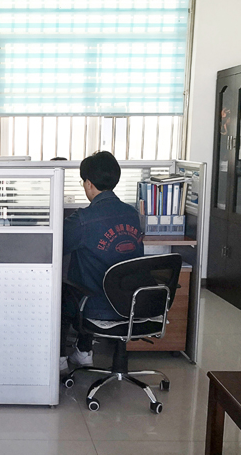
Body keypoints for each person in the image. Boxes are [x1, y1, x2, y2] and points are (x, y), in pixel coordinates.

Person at [61, 152, 144, 371]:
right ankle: (83, 351)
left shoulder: (83, 219)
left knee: (62, 290)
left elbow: (55, 245)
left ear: (88, 183)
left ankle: (60, 358)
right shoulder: (132, 214)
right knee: (92, 275)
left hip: (97, 308)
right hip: (131, 303)